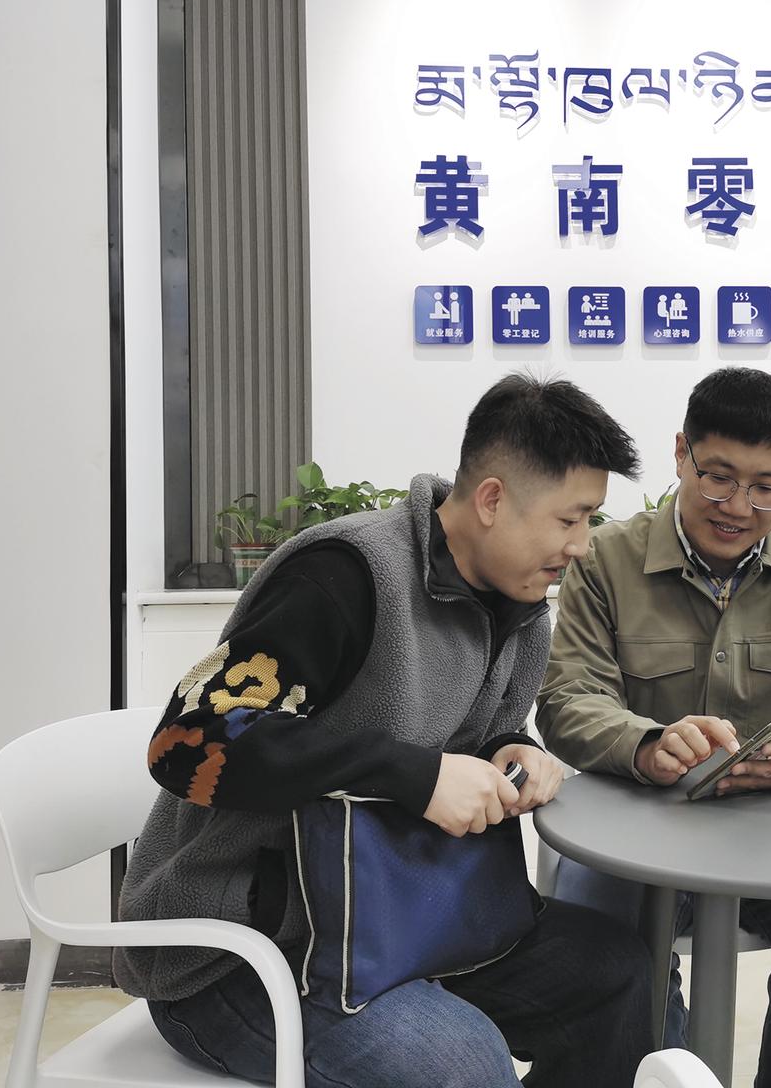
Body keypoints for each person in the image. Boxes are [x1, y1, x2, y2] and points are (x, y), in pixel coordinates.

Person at [116, 373, 653, 1088]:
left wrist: (512, 750)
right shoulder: (342, 577)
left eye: (591, 521)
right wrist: (413, 775)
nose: (583, 545)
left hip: (403, 921)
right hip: (246, 949)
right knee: (464, 1062)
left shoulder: (518, 606)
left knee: (618, 973)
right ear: (492, 500)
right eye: (570, 519)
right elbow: (187, 744)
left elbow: (473, 730)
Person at [535, 367, 771, 1088]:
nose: (739, 507)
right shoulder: (606, 558)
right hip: (636, 830)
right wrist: (646, 744)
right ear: (681, 453)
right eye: (718, 477)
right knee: (596, 959)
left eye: (767, 487)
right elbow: (568, 698)